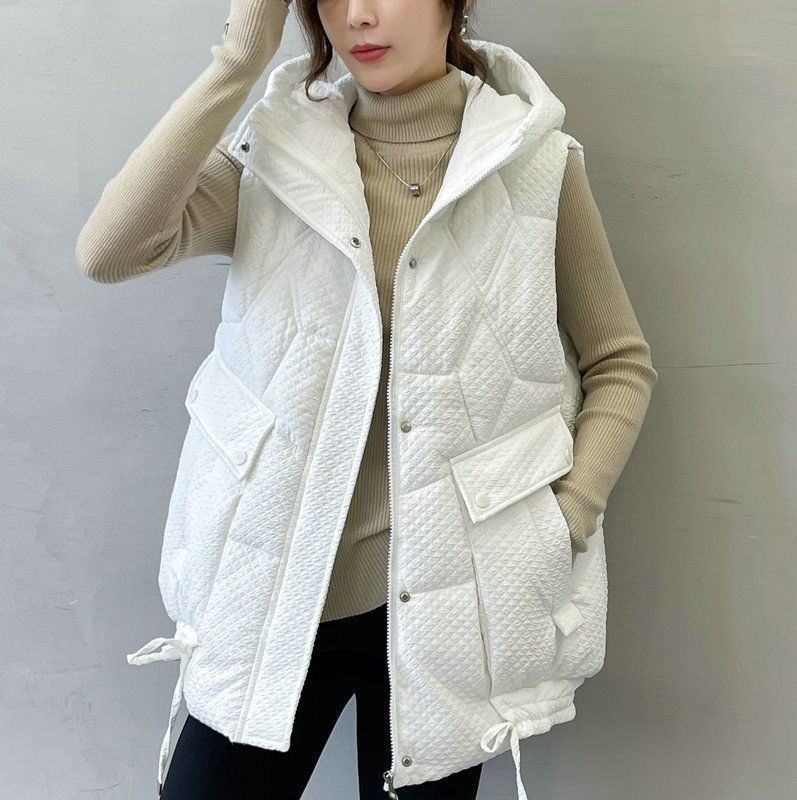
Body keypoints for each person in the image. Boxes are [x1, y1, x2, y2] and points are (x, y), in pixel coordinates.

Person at [76, 1, 658, 798]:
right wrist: (237, 64)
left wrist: (564, 521)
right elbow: (109, 251)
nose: (357, 15)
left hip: (455, 606)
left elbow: (620, 362)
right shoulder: (276, 155)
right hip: (281, 594)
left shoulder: (534, 163)